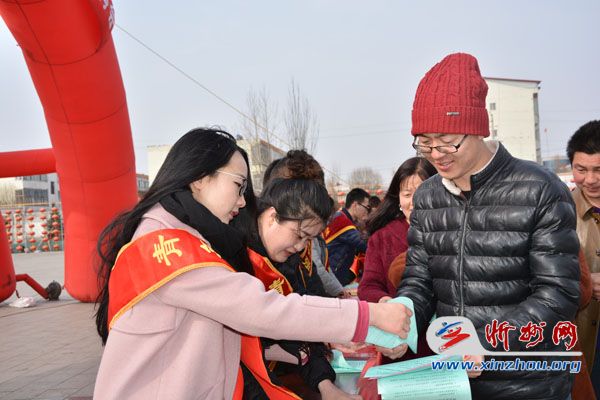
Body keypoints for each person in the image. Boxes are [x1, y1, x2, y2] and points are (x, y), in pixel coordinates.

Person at [92, 128, 411, 400]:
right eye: (238, 185)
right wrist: (371, 315)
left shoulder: (193, 239)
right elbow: (263, 311)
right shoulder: (167, 247)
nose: (244, 200)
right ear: (202, 178)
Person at [395, 53, 580, 400]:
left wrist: (485, 341)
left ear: (479, 128)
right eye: (423, 141)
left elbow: (558, 294)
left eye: (447, 139)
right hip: (455, 380)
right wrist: (399, 319)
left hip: (528, 382)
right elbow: (419, 280)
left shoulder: (539, 189)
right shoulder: (429, 196)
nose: (436, 153)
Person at [237, 173, 361, 399]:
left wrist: (326, 386)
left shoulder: (290, 263)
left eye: (308, 240)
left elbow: (304, 327)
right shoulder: (235, 257)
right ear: (273, 217)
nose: (301, 247)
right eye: (300, 235)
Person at [358, 157, 436, 303]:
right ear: (398, 199)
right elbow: (368, 286)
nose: (414, 201)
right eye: (407, 194)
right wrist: (386, 301)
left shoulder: (452, 229)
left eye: (422, 192)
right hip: (403, 321)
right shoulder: (382, 238)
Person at [568, 121, 600, 397]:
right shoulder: (557, 212)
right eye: (582, 170)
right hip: (579, 341)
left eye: (598, 170)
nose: (590, 179)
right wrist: (584, 281)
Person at [325, 188, 370, 285]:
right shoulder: (343, 222)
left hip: (333, 272)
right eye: (366, 207)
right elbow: (364, 245)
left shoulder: (341, 216)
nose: (367, 211)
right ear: (355, 205)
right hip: (334, 275)